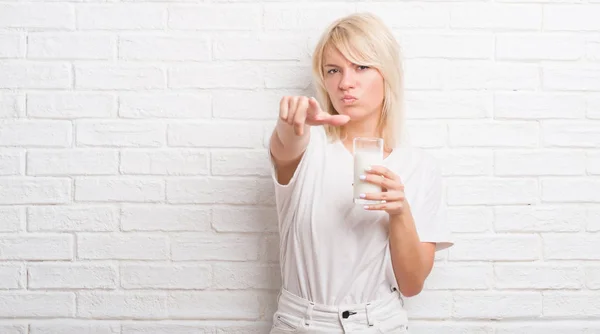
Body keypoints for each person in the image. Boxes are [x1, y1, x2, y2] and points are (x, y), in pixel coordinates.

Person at [267, 12, 453, 334]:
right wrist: (290, 125)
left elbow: (411, 284)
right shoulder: (309, 149)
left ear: (387, 73)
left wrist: (400, 212)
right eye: (333, 70)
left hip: (379, 324)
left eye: (361, 66)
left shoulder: (419, 167)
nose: (345, 83)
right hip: (301, 324)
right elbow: (286, 145)